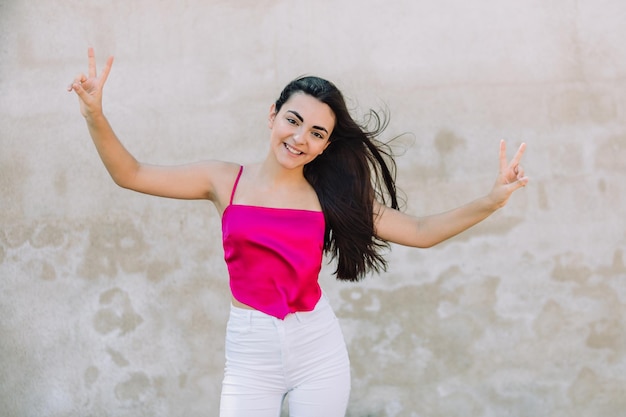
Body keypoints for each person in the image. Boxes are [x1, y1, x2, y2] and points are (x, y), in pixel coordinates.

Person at [68, 48, 528, 417]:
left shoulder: (331, 198)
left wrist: (492, 199)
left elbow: (422, 230)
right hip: (250, 351)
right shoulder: (222, 179)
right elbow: (130, 173)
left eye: (316, 132)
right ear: (272, 116)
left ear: (326, 143)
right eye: (293, 120)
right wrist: (95, 114)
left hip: (317, 349)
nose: (300, 137)